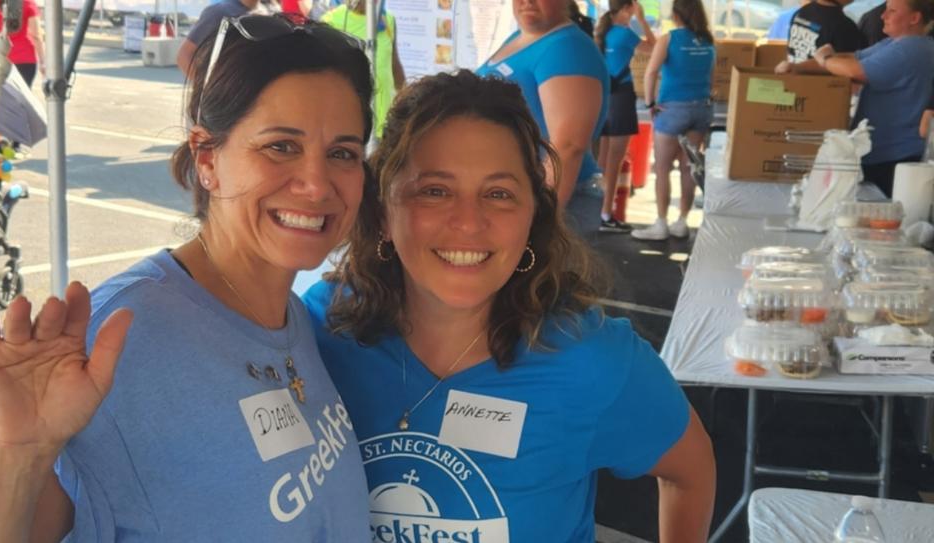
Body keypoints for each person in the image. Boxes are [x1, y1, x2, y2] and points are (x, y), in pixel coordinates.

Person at [0, 15, 375, 541]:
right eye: (281, 146)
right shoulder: (118, 338)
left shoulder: (293, 316)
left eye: (342, 153)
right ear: (207, 158)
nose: (316, 184)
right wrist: (18, 454)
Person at [305, 70, 716, 542]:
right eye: (434, 190)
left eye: (498, 194)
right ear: (381, 211)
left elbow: (690, 470)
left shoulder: (592, 361)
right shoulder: (320, 330)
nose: (468, 223)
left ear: (532, 216)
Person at [477, 0, 610, 236]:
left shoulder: (567, 48)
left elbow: (568, 146)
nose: (527, 2)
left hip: (549, 197)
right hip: (513, 192)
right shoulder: (521, 37)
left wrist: (538, 223)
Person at [779, 0, 934, 196]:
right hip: (881, 152)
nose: (883, 16)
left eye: (892, 11)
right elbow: (850, 58)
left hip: (893, 156)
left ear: (914, 18)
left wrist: (825, 59)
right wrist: (798, 67)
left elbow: (855, 70)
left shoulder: (911, 49)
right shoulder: (894, 43)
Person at [631, 0, 714, 241]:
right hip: (700, 108)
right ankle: (682, 222)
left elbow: (651, 72)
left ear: (677, 14)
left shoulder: (669, 39)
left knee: (663, 168)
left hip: (672, 109)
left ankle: (661, 223)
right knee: (689, 168)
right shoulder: (708, 41)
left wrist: (650, 103)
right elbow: (711, 78)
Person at [595, 0, 655, 233]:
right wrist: (642, 21)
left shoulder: (604, 32)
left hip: (604, 95)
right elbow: (654, 47)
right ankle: (606, 214)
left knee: (603, 158)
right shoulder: (625, 34)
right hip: (621, 96)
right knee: (615, 161)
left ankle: (598, 209)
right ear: (628, 8)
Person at [322, 0, 405, 138]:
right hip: (350, 126)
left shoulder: (387, 20)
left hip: (385, 125)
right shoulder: (331, 20)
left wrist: (406, 99)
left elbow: (394, 64)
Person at [175, 0, 259, 78]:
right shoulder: (220, 12)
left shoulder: (264, 14)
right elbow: (184, 55)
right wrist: (206, 86)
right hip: (232, 86)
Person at [780, 0, 864, 64]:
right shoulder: (845, 26)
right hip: (821, 81)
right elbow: (849, 67)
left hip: (793, 77)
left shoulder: (800, 12)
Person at [0, 0, 44, 87]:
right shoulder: (28, 3)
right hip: (26, 59)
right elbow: (36, 36)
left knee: (3, 92)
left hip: (4, 58)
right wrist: (42, 61)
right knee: (22, 92)